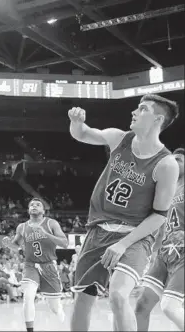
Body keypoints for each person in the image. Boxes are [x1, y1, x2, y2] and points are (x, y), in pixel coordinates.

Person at [68, 94, 180, 332]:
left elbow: (159, 215)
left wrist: (122, 244)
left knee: (118, 295)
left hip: (134, 236)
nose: (134, 112)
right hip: (98, 230)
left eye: (142, 109)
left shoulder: (166, 164)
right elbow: (83, 134)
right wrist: (76, 123)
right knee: (82, 298)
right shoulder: (120, 138)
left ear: (157, 119)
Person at [135, 148, 184, 331]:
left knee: (170, 307)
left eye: (179, 159)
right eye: (173, 159)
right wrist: (153, 251)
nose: (175, 161)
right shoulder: (167, 191)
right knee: (141, 306)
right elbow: (162, 226)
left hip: (184, 250)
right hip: (165, 251)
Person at [2, 198, 68, 332]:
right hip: (30, 265)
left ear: (43, 211)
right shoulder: (22, 227)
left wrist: (46, 234)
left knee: (54, 307)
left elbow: (64, 243)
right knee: (28, 295)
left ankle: (60, 312)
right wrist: (9, 244)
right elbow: (16, 246)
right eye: (32, 205)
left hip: (48, 265)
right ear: (28, 210)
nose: (34, 206)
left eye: (38, 205)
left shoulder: (51, 223)